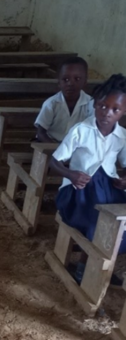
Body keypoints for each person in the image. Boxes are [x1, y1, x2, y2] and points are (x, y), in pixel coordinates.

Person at [51, 74, 126, 282]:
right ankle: (84, 269)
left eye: (115, 109)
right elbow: (55, 161)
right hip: (79, 191)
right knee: (97, 224)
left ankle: (101, 268)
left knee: (119, 222)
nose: (107, 113)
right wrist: (71, 174)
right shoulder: (81, 131)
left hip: (109, 189)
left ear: (124, 111)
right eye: (102, 106)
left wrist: (124, 179)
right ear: (94, 105)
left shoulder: (122, 136)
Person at [36, 57, 94, 143]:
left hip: (77, 146)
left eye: (77, 79)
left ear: (85, 81)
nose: (70, 83)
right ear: (59, 82)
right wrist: (57, 148)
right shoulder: (52, 104)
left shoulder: (91, 104)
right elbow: (41, 133)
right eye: (65, 79)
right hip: (51, 144)